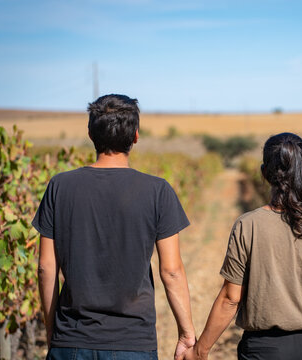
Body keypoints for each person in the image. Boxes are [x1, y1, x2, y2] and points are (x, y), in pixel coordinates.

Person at [33, 94, 196, 360]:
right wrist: (187, 335)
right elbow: (172, 271)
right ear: (135, 136)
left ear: (90, 133)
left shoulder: (59, 187)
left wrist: (53, 332)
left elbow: (45, 267)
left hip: (71, 340)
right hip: (133, 342)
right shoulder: (157, 191)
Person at [184, 132, 302, 360]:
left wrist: (199, 351)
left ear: (264, 174)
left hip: (264, 350)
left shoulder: (247, 225)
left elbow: (231, 298)